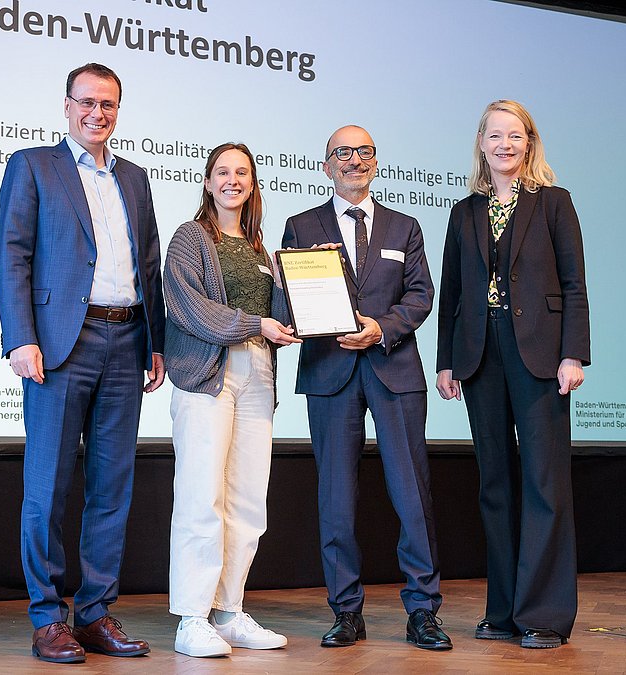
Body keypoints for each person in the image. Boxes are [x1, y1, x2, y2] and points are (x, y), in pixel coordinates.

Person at [0, 62, 165, 665]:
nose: (98, 113)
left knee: (111, 488)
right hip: (61, 344)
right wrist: (20, 337)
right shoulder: (33, 166)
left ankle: (94, 614)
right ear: (66, 106)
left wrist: (156, 342)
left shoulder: (136, 178)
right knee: (47, 486)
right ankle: (48, 618)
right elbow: (13, 256)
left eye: (109, 105)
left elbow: (149, 268)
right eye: (88, 102)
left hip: (126, 342)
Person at [282, 125, 450, 651]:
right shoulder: (301, 225)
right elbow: (286, 302)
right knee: (336, 497)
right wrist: (313, 287)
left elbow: (421, 297)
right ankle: (346, 611)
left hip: (393, 367)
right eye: (343, 153)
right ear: (326, 165)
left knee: (412, 494)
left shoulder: (406, 226)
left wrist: (382, 328)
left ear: (375, 161)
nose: (355, 160)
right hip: (330, 372)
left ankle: (423, 610)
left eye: (364, 152)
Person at [434, 100, 590, 649]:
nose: (504, 144)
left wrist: (573, 355)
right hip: (480, 355)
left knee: (545, 483)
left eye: (515, 136)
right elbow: (451, 291)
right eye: (495, 135)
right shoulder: (464, 212)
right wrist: (446, 360)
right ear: (481, 142)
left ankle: (543, 614)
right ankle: (501, 610)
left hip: (542, 355)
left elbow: (573, 284)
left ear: (529, 143)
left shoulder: (554, 203)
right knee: (494, 485)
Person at [162, 142, 300, 658]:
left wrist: (302, 310)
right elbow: (188, 308)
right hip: (207, 377)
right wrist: (254, 323)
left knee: (247, 501)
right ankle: (192, 618)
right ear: (207, 181)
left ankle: (231, 610)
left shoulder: (263, 250)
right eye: (222, 172)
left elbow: (282, 312)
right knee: (202, 498)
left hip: (259, 374)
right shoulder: (190, 238)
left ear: (253, 183)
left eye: (242, 172)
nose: (232, 180)